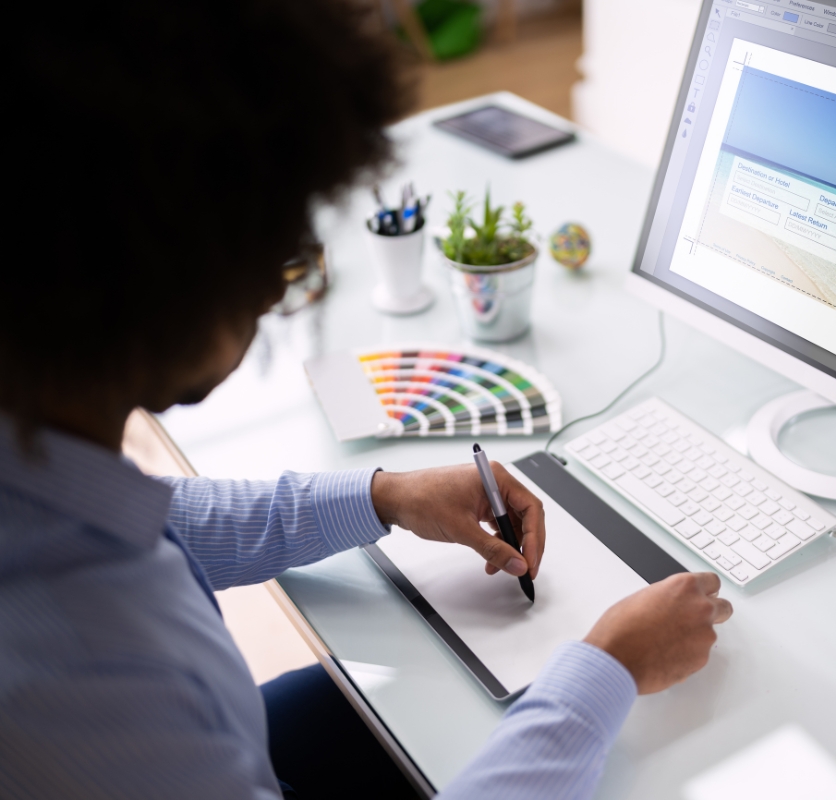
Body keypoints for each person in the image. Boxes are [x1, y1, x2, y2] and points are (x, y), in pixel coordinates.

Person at [0, 2, 733, 798]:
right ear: (164, 271)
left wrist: (384, 496)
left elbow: (162, 519)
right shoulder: (79, 681)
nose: (278, 289)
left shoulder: (34, 468)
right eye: (279, 247)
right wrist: (607, 672)